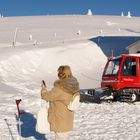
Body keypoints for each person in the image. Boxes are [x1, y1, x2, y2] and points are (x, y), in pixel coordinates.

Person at [41, 65, 80, 140]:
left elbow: (46, 96)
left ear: (61, 74)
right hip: (67, 120)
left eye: (59, 73)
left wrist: (43, 89)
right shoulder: (73, 86)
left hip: (60, 120)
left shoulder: (60, 88)